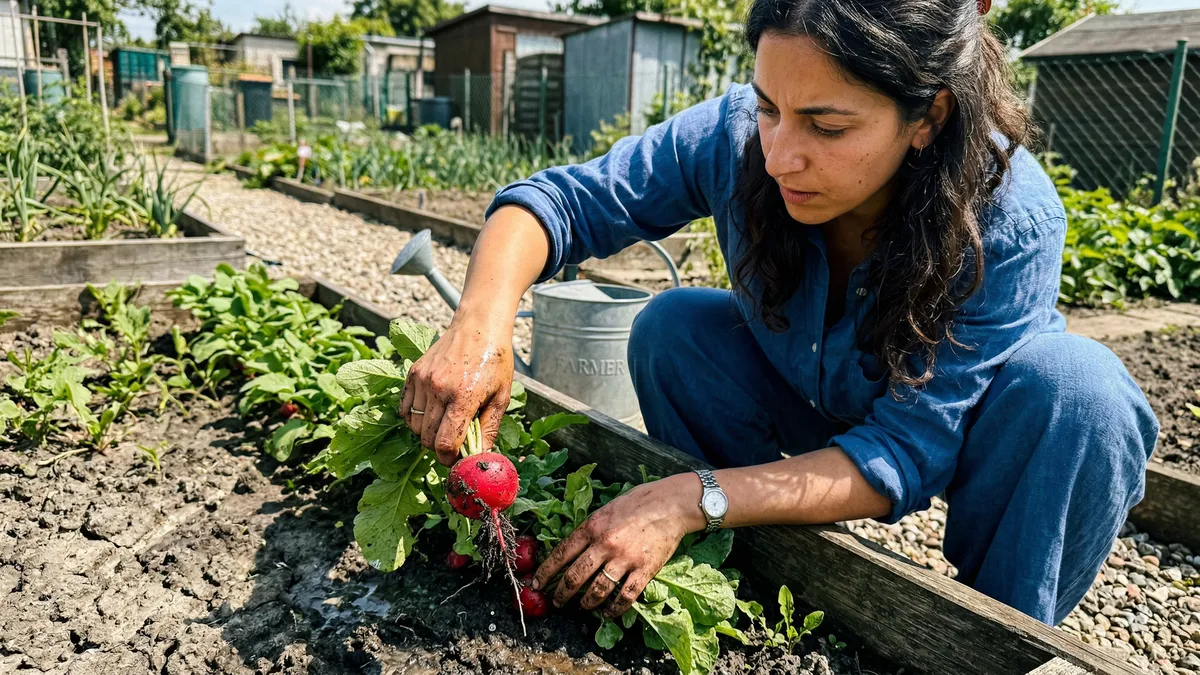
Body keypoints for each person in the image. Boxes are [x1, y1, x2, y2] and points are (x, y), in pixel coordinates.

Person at [399, 0, 1159, 626]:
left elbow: (908, 449)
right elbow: (562, 202)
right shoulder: (736, 136)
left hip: (968, 438)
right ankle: (749, 568)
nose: (779, 155)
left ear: (928, 116)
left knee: (1080, 391)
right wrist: (481, 325)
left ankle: (994, 637)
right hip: (806, 402)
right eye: (769, 108)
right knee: (674, 329)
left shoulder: (1007, 215)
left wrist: (689, 496)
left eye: (827, 127)